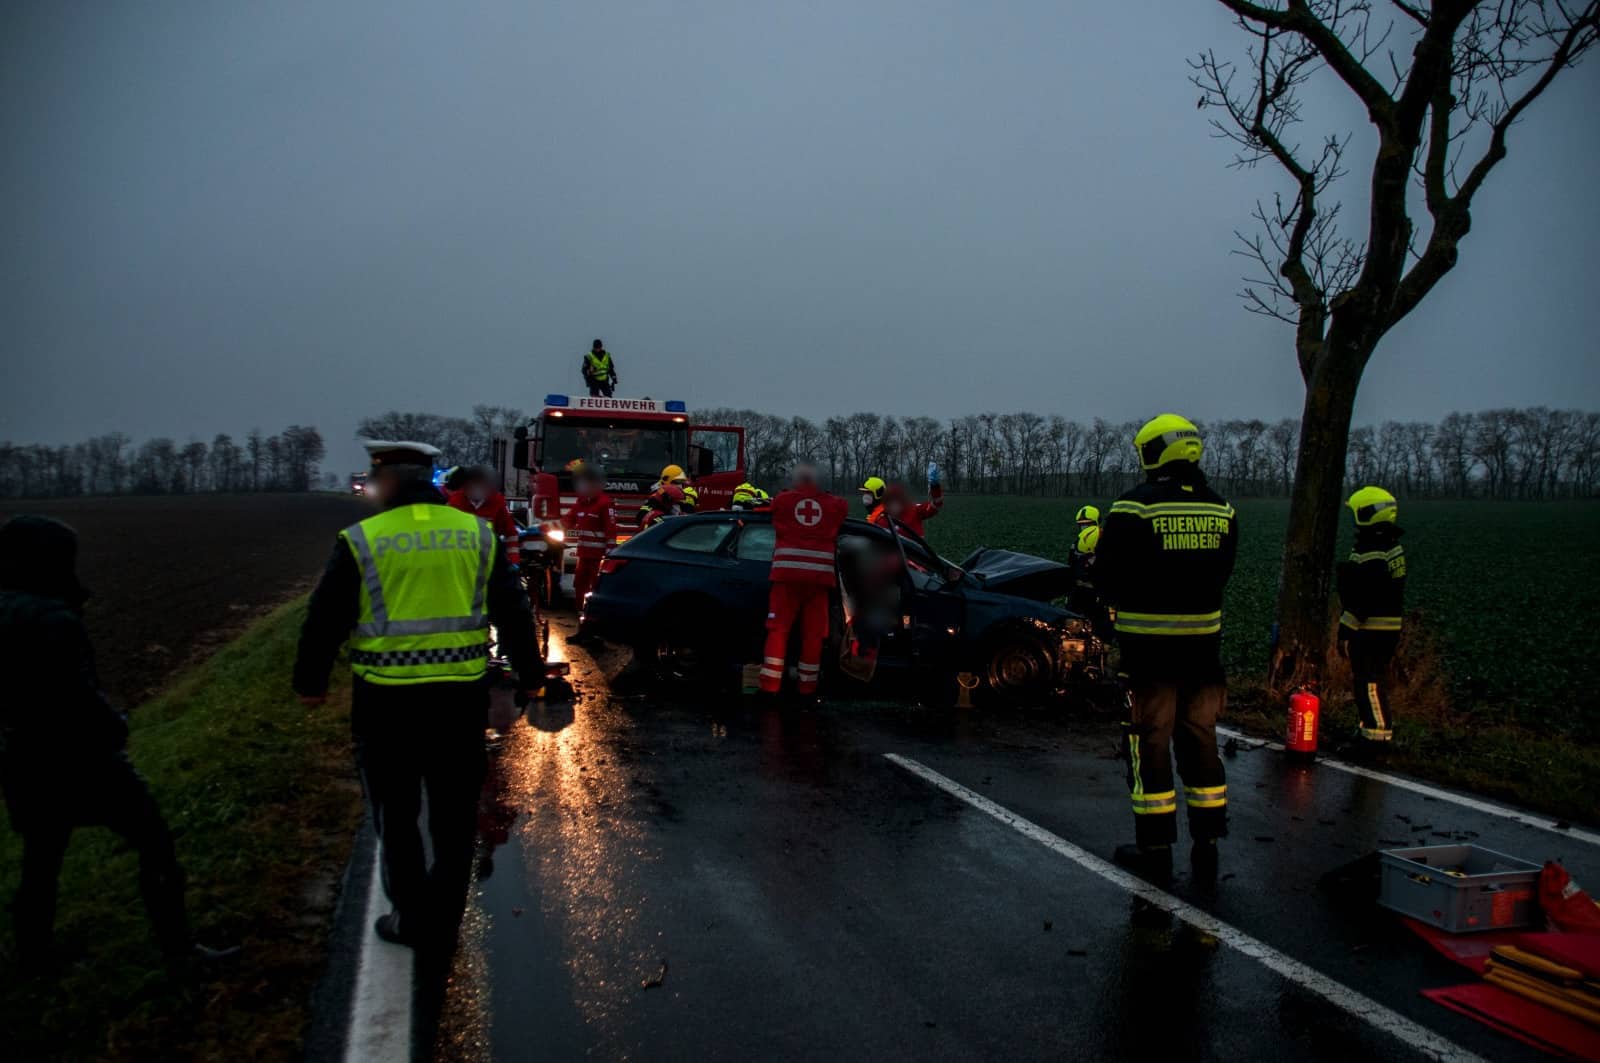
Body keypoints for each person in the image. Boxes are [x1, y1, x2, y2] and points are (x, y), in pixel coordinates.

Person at [293, 441, 542, 949]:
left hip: (386, 707)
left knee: (397, 816)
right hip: (458, 704)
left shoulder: (363, 538)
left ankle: (411, 917)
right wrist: (531, 675)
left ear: (387, 481)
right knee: (454, 819)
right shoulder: (475, 534)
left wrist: (311, 682)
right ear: (431, 479)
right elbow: (514, 611)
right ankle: (445, 919)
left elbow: (325, 618)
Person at [0, 516, 235, 969]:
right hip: (82, 759)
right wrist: (115, 726)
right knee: (154, 841)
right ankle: (180, 948)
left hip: (23, 758)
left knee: (41, 856)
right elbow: (74, 694)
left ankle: (32, 952)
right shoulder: (53, 617)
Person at [1096, 414, 1237, 887]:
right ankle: (1208, 839)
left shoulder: (1133, 508)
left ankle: (1155, 846)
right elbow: (1224, 571)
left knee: (1147, 742)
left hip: (1150, 657)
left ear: (1152, 452)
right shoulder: (1222, 510)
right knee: (1200, 739)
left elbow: (1107, 578)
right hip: (1203, 654)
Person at [760, 463, 848, 699]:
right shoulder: (833, 505)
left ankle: (770, 687)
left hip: (786, 579)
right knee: (814, 635)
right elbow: (843, 507)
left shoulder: (783, 500)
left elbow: (774, 507)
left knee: (778, 631)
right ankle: (807, 689)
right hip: (818, 581)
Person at [1337, 486, 1406, 750]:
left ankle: (1377, 736)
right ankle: (1368, 729)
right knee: (1369, 680)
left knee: (1369, 681)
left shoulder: (1373, 551)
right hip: (1385, 627)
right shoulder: (1390, 546)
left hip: (1372, 629)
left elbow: (1363, 598)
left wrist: (1346, 628)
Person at [562, 461, 616, 607]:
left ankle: (594, 612)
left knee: (596, 586)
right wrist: (546, 529)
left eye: (585, 482)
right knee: (579, 583)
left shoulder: (604, 503)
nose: (581, 486)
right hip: (583, 555)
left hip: (597, 557)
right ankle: (580, 610)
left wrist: (609, 554)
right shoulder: (581, 502)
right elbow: (568, 520)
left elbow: (610, 530)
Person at [445, 465, 521, 567]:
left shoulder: (497, 502)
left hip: (490, 559)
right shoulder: (455, 502)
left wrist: (513, 560)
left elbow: (510, 534)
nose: (476, 488)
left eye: (480, 483)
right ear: (465, 485)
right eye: (473, 483)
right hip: (462, 559)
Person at [871, 463, 944, 538]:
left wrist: (935, 486)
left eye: (896, 501)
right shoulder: (882, 521)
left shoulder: (915, 510)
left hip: (915, 549)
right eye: (890, 502)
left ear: (902, 500)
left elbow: (935, 505)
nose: (893, 505)